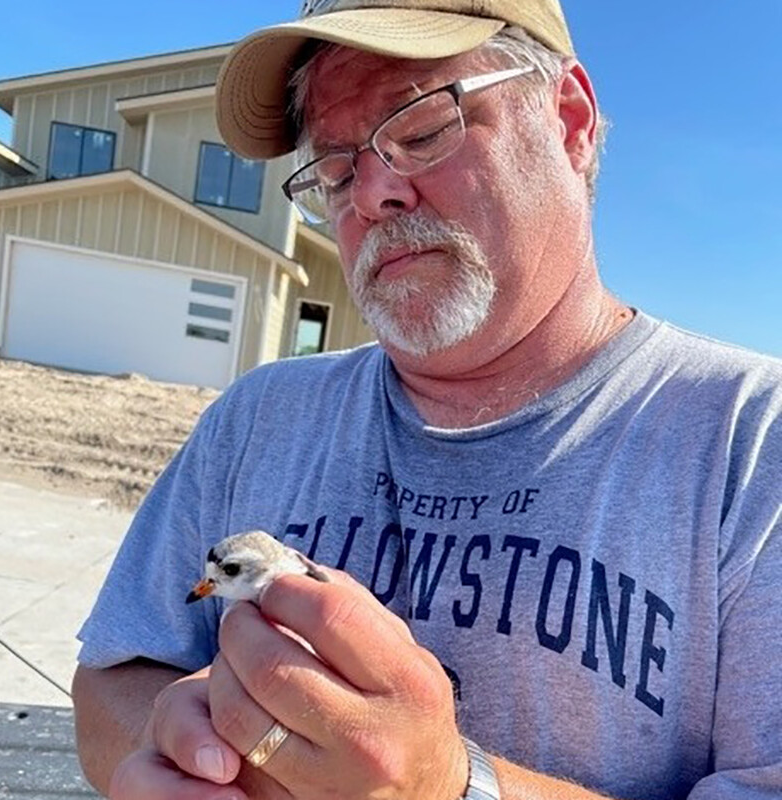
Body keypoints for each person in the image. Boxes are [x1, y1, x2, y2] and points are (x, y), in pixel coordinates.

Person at [71, 1, 782, 798]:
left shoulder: (755, 445)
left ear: (570, 121)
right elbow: (114, 672)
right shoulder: (257, 418)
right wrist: (185, 751)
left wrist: (450, 785)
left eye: (421, 129)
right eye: (335, 170)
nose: (373, 194)